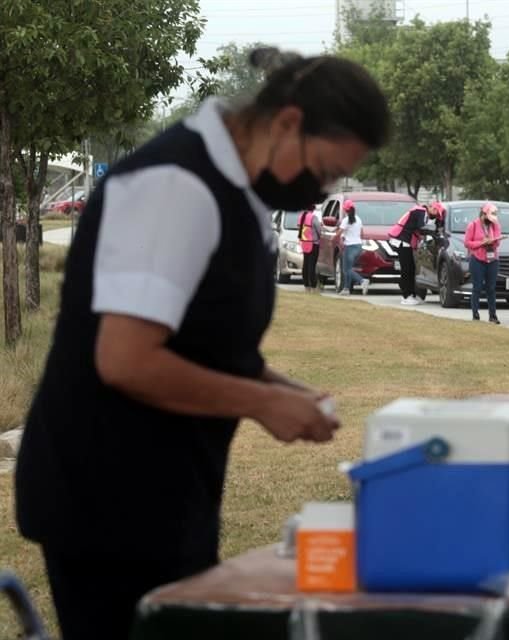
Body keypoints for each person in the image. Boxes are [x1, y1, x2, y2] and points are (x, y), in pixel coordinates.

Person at [14, 47, 390, 640]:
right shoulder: (175, 187)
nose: (322, 189)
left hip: (169, 492)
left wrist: (278, 385)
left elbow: (202, 338)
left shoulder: (239, 195)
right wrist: (263, 404)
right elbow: (126, 359)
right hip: (106, 498)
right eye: (322, 171)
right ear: (288, 122)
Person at [388, 203, 441, 305]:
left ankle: (411, 294)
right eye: (436, 213)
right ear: (431, 208)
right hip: (401, 240)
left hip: (405, 241)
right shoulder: (420, 211)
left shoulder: (421, 212)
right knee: (406, 269)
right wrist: (434, 232)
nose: (435, 216)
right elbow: (421, 228)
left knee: (411, 269)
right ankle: (406, 296)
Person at [464, 202, 503, 324]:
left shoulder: (495, 225)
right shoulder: (473, 225)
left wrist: (492, 242)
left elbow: (497, 242)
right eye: (488, 218)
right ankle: (475, 314)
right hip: (477, 259)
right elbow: (467, 243)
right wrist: (481, 243)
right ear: (483, 214)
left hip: (492, 259)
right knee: (477, 287)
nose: (490, 221)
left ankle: (493, 315)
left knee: (491, 288)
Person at [334, 199, 369, 295]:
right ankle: (346, 289)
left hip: (349, 247)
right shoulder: (359, 219)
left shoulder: (346, 220)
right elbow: (362, 234)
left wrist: (334, 237)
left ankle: (362, 281)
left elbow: (339, 233)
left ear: (345, 210)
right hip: (358, 246)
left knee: (346, 269)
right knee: (349, 268)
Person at [298, 204, 323, 291]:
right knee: (312, 265)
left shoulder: (301, 216)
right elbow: (319, 230)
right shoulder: (313, 217)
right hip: (313, 244)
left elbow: (299, 228)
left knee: (306, 264)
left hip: (304, 243)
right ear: (313, 209)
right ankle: (313, 285)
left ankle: (306, 285)